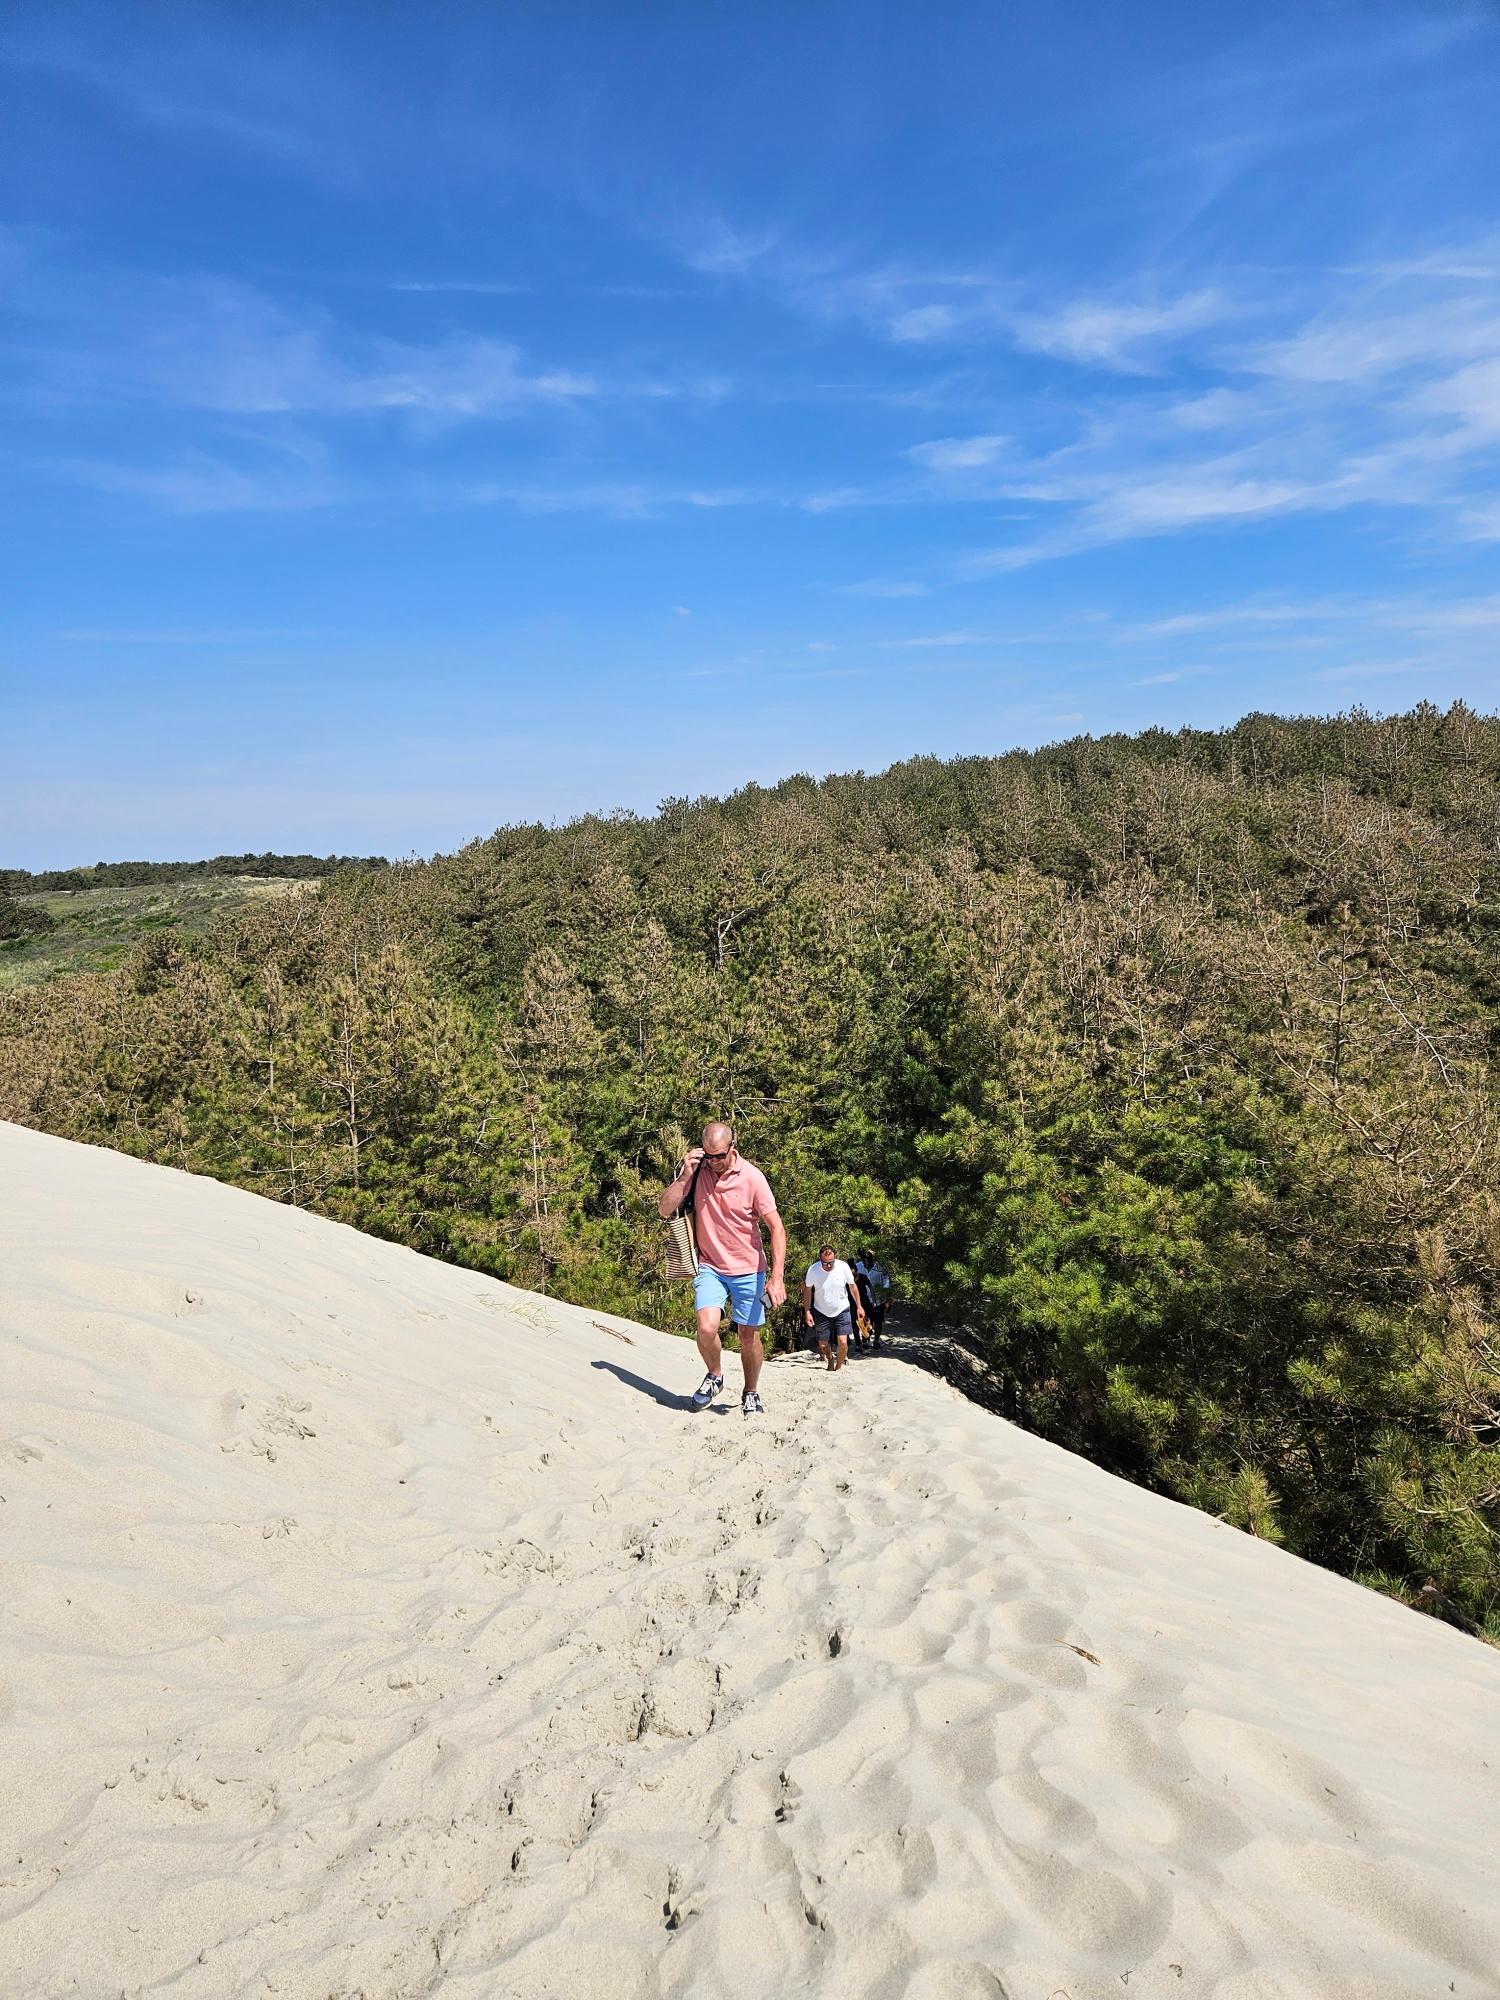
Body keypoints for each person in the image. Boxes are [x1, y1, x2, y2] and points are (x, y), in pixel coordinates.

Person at [658, 1122, 786, 1416]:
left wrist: (776, 1279)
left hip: (748, 1269)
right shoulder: (697, 1170)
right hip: (710, 1266)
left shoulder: (752, 1178)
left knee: (748, 1336)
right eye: (708, 1156)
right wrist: (684, 1177)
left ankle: (750, 1391)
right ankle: (714, 1375)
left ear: (732, 1148)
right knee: (706, 1327)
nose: (713, 1162)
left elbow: (777, 1228)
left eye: (719, 1156)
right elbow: (664, 1209)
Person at [803, 1244, 864, 1371]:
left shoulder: (843, 1267)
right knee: (823, 1344)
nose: (829, 1265)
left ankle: (838, 1366)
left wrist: (859, 1306)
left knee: (842, 1342)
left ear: (835, 1257)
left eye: (831, 1262)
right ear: (820, 1260)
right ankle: (830, 1359)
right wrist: (807, 1311)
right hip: (821, 1310)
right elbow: (808, 1291)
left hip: (842, 1309)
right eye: (825, 1263)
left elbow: (853, 1287)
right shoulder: (813, 1270)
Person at [861, 1250, 892, 1344]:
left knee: (878, 1321)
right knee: (865, 1320)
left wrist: (888, 1300)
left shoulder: (880, 1268)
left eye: (868, 1260)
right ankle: (865, 1339)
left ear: (872, 1260)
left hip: (879, 1299)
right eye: (864, 1260)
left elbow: (886, 1284)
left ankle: (876, 1340)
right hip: (864, 1299)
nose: (865, 1263)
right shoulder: (859, 1266)